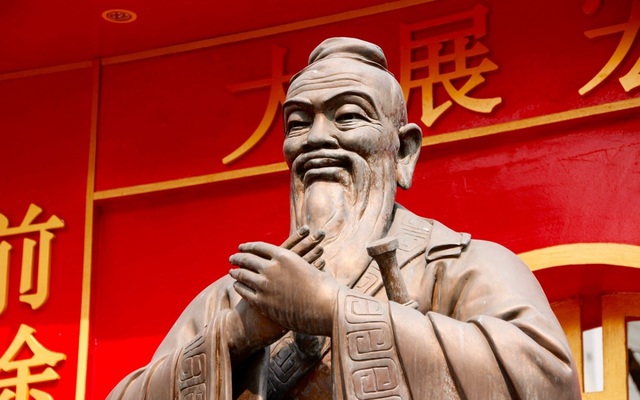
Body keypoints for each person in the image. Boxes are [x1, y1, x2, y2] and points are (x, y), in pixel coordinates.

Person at [108, 37, 581, 399]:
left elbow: (547, 381)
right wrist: (236, 336)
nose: (316, 139)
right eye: (298, 123)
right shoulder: (240, 295)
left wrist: (334, 307)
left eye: (348, 116)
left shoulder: (460, 266)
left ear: (403, 151)